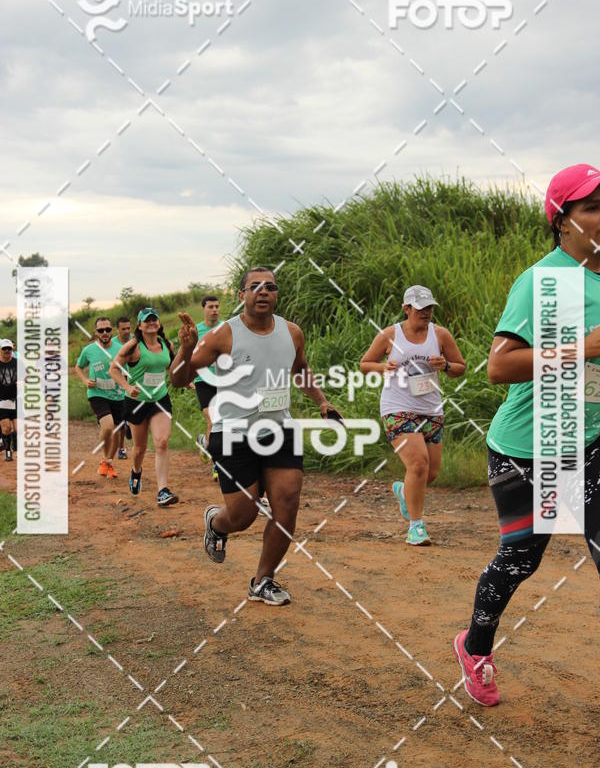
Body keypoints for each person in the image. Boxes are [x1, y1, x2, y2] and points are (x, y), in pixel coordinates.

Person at [454, 163, 600, 707]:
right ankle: (474, 646)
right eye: (591, 206)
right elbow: (500, 367)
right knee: (521, 558)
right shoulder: (547, 281)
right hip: (530, 447)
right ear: (561, 221)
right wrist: (585, 348)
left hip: (590, 440)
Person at [170, 267, 342, 605]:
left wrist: (322, 401)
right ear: (242, 295)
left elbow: (301, 370)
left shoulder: (292, 333)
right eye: (255, 286)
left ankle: (263, 581)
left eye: (270, 287)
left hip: (280, 431)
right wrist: (186, 350)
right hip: (233, 432)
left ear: (277, 294)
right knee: (243, 515)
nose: (263, 292)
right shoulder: (222, 335)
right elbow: (178, 380)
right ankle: (217, 524)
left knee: (287, 503)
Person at [360, 286, 465, 545]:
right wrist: (383, 367)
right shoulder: (390, 335)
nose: (427, 313)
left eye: (429, 308)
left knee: (430, 473)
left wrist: (447, 365)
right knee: (418, 464)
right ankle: (416, 527)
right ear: (406, 309)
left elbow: (460, 368)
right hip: (397, 408)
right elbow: (365, 364)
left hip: (431, 409)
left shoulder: (440, 335)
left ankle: (403, 491)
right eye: (421, 309)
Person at [110, 307, 179, 507]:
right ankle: (136, 471)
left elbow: (171, 367)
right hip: (137, 401)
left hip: (160, 399)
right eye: (146, 320)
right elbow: (113, 369)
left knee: (162, 441)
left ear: (159, 323)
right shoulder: (133, 347)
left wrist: (184, 380)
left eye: (154, 319)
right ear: (139, 326)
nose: (151, 323)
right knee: (140, 448)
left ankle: (162, 491)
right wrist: (127, 386)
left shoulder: (167, 344)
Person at [75, 318, 124, 479]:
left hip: (118, 395)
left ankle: (108, 463)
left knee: (116, 432)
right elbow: (78, 367)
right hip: (97, 394)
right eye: (101, 330)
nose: (105, 333)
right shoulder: (89, 350)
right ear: (95, 332)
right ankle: (105, 458)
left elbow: (131, 367)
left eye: (108, 330)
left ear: (112, 331)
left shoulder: (121, 349)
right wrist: (85, 380)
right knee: (108, 426)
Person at [193, 295, 221, 481]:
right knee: (213, 421)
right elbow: (188, 355)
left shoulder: (226, 328)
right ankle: (217, 466)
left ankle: (205, 442)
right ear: (203, 308)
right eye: (210, 306)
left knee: (224, 422)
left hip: (224, 380)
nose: (214, 310)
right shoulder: (196, 330)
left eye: (217, 306)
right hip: (203, 380)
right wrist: (189, 376)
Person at [112, 316, 132, 459]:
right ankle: (121, 448)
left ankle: (130, 424)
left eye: (128, 328)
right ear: (117, 329)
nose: (126, 331)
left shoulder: (136, 341)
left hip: (135, 384)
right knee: (118, 422)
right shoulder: (112, 344)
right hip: (117, 385)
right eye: (123, 329)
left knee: (125, 420)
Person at [0, 339, 17, 461]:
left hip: (16, 400)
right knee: (6, 428)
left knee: (18, 430)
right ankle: (8, 452)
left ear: (12, 349)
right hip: (1, 400)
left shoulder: (18, 363)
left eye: (9, 348)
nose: (7, 351)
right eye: (4, 348)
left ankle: (2, 441)